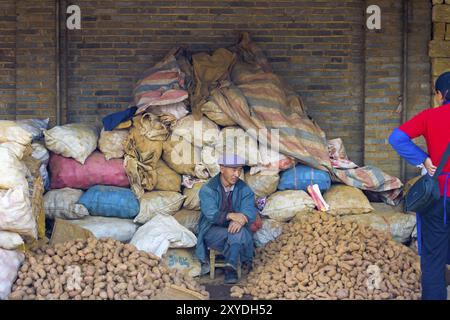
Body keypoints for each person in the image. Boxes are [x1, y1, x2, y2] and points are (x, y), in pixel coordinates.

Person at [388, 71, 450, 300]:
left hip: (439, 197)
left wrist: (424, 159)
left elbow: (396, 138)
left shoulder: (430, 116)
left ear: (439, 95)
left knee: (433, 262)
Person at [195, 154, 257, 284]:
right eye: (233, 170)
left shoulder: (244, 189)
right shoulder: (208, 189)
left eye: (239, 170)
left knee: (238, 232)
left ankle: (231, 265)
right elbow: (211, 213)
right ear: (222, 169)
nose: (237, 174)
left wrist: (243, 218)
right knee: (240, 235)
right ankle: (232, 266)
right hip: (213, 232)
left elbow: (249, 209)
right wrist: (231, 216)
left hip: (235, 231)